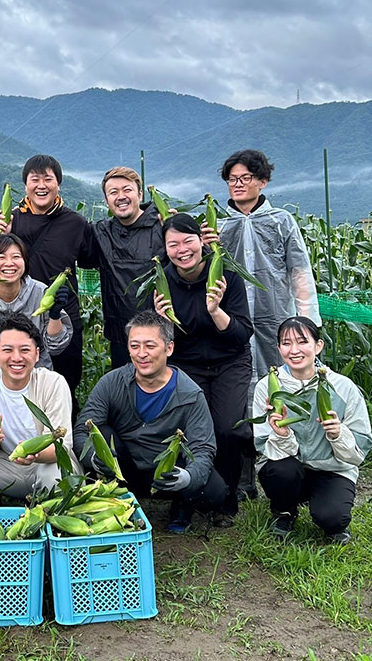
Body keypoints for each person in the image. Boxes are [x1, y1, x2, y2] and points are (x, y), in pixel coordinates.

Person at [210, 149, 321, 500]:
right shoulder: (217, 224)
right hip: (233, 322)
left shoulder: (281, 221)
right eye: (232, 179)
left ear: (263, 181)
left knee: (279, 388)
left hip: (276, 319)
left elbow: (299, 270)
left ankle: (286, 464)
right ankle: (244, 475)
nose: (238, 185)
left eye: (245, 178)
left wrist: (307, 319)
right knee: (241, 395)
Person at [74, 310, 227, 532]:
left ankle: (182, 505)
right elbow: (81, 431)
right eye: (134, 346)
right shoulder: (112, 383)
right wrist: (93, 458)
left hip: (167, 473)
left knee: (214, 491)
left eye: (150, 346)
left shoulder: (190, 395)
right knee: (100, 433)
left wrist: (188, 477)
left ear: (169, 348)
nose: (141, 354)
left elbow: (203, 448)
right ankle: (118, 503)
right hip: (124, 468)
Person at [154, 213, 253, 525]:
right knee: (187, 430)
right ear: (165, 249)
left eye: (188, 240)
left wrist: (215, 310)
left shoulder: (225, 274)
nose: (182, 249)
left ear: (201, 240)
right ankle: (186, 496)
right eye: (173, 244)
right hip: (187, 364)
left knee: (227, 428)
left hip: (230, 361)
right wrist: (164, 323)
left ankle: (225, 499)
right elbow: (160, 342)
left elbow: (242, 333)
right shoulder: (161, 281)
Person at [254, 317, 372, 544]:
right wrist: (282, 433)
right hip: (289, 465)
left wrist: (338, 434)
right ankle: (284, 511)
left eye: (302, 342)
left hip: (331, 469)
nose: (294, 350)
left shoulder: (343, 387)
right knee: (281, 472)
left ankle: (326, 506)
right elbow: (261, 444)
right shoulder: (268, 386)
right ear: (279, 348)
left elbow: (359, 451)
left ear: (318, 346)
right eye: (286, 343)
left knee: (333, 519)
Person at [0, 154, 95, 416]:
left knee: (65, 385)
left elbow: (90, 259)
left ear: (58, 184)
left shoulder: (75, 222)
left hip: (64, 315)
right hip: (23, 317)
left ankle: (66, 446)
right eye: (34, 179)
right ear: (25, 185)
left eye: (47, 179)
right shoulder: (12, 221)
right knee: (24, 388)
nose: (41, 185)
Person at [0, 313, 81, 497]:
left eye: (24, 350)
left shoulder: (53, 383)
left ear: (37, 354)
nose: (16, 358)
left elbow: (60, 447)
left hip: (43, 465)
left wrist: (34, 454)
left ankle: (48, 515)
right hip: (3, 463)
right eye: (7, 350)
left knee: (55, 475)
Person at [0, 233, 72, 374]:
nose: (9, 263)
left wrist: (55, 315)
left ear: (25, 263)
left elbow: (56, 346)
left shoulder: (41, 293)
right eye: (1, 257)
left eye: (16, 257)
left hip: (35, 377)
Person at [87, 166, 169, 369]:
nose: (121, 197)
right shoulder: (100, 232)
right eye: (113, 192)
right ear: (106, 200)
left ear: (140, 194)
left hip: (162, 334)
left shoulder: (164, 226)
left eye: (127, 190)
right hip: (120, 337)